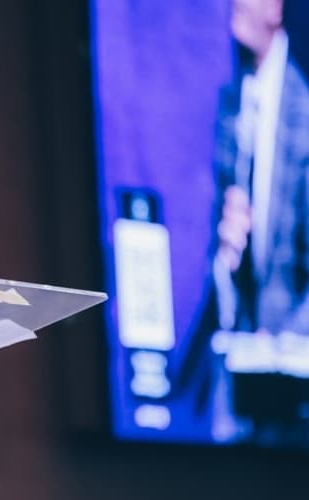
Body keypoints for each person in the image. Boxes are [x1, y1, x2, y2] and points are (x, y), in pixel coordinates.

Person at [178, 0, 309, 443]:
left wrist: (289, 334)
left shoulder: (303, 102)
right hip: (240, 348)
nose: (234, 4)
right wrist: (228, 255)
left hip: (292, 357)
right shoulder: (235, 99)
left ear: (276, 8)